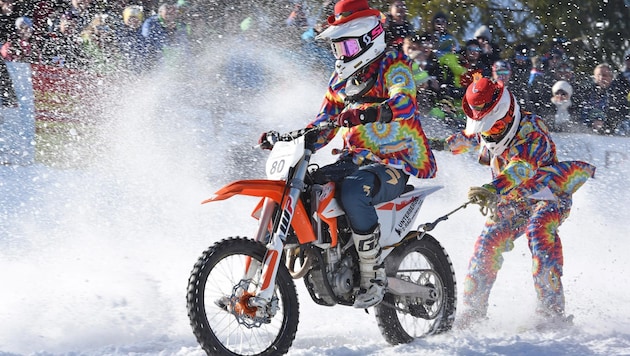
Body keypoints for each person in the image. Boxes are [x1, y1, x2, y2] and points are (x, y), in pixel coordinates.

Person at [259, 0, 437, 309]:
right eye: (337, 46)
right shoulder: (340, 79)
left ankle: (374, 273)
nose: (342, 52)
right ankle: (321, 253)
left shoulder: (395, 64)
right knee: (311, 185)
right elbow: (324, 124)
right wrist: (292, 138)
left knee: (354, 190)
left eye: (348, 44)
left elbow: (405, 103)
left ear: (369, 38)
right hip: (353, 159)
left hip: (393, 162)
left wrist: (366, 114)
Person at [430, 74, 595, 329]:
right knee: (487, 244)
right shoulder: (484, 127)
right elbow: (467, 138)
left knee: (539, 231)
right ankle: (473, 311)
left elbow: (521, 169)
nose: (488, 132)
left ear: (504, 114)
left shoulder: (533, 130)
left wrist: (491, 188)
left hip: (547, 195)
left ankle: (551, 312)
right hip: (511, 200)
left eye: (492, 126)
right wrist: (435, 144)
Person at [579, 63, 630, 135]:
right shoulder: (586, 93)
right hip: (586, 132)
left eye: (604, 75)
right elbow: (579, 112)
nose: (601, 78)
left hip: (611, 135)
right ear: (594, 77)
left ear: (611, 77)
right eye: (598, 75)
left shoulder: (618, 94)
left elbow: (621, 115)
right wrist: (590, 123)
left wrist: (604, 124)